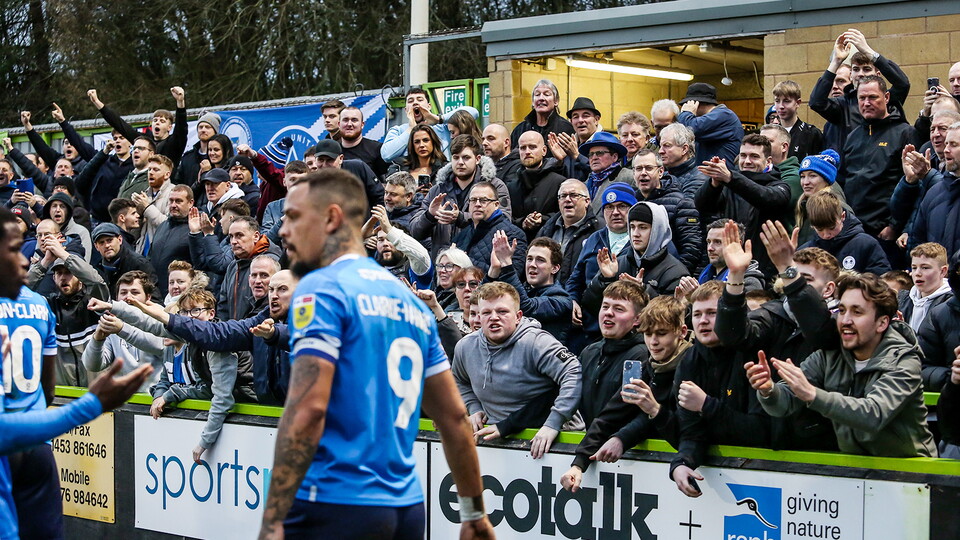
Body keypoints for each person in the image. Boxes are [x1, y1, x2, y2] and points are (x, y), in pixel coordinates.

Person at [259, 168, 494, 538]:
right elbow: (453, 417)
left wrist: (273, 517)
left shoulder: (320, 288)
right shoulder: (410, 303)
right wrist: (474, 512)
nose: (283, 231)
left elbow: (308, 409)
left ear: (332, 218)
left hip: (335, 503)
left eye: (293, 217)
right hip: (404, 509)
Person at [0, 204, 151, 540]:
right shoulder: (39, 306)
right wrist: (90, 405)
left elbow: (95, 281)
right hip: (33, 437)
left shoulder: (57, 300)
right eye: (14, 249)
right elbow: (46, 392)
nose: (27, 260)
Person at [747, 273, 938, 457]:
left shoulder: (904, 360)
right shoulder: (828, 355)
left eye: (857, 312)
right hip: (855, 469)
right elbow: (785, 402)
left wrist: (813, 395)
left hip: (912, 476)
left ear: (882, 323)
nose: (845, 320)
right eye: (842, 310)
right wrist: (769, 390)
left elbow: (874, 414)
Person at [91, 289, 240, 463]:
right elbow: (148, 324)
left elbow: (221, 398)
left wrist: (204, 442)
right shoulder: (189, 336)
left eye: (196, 310)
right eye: (185, 312)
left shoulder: (218, 343)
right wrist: (112, 306)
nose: (190, 317)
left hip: (248, 411)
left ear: (211, 313)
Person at [560, 294, 687, 493]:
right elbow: (611, 415)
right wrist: (579, 464)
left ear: (681, 332)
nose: (653, 342)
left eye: (661, 333)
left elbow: (689, 435)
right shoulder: (648, 364)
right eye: (648, 334)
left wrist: (654, 410)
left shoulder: (691, 367)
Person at [454, 281, 582, 456]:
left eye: (502, 311)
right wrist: (474, 407)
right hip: (500, 436)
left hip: (553, 439)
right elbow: (459, 380)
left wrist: (553, 424)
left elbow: (573, 372)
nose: (493, 317)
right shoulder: (465, 347)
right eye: (486, 313)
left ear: (518, 316)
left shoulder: (536, 342)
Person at [669, 281, 771, 498]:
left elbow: (762, 431)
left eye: (712, 313)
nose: (703, 321)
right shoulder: (689, 361)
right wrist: (682, 462)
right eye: (697, 314)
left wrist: (706, 405)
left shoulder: (753, 355)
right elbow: (691, 430)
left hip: (765, 478)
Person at [162, 270, 297, 406]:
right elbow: (221, 333)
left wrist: (274, 334)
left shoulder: (311, 323)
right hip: (268, 410)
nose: (274, 296)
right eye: (271, 290)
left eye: (282, 289)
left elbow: (296, 335)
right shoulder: (259, 321)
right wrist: (166, 319)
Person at [695, 133, 793, 276]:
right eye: (743, 156)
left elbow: (764, 197)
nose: (747, 161)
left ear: (768, 161)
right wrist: (714, 183)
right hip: (728, 267)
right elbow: (702, 205)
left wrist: (730, 178)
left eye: (754, 156)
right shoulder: (729, 185)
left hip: (763, 269)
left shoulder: (780, 186)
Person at [409, 134, 513, 261]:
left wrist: (461, 218)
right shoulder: (438, 189)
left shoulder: (494, 186)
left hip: (479, 264)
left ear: (478, 159)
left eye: (466, 158)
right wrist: (429, 215)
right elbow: (414, 231)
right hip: (443, 267)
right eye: (456, 158)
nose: (460, 163)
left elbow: (504, 223)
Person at [583, 201, 689, 308]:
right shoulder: (618, 263)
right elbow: (590, 306)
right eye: (632, 227)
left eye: (643, 227)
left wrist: (643, 291)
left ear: (658, 230)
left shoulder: (675, 272)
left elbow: (671, 317)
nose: (635, 234)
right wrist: (605, 279)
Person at [82, 270, 164, 390]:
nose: (128, 297)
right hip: (124, 399)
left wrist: (121, 329)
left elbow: (159, 346)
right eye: (123, 292)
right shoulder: (113, 322)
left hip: (158, 399)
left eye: (135, 292)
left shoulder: (160, 317)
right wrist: (97, 339)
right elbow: (92, 366)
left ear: (148, 297)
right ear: (117, 298)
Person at [487, 235, 572, 342]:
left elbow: (527, 308)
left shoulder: (562, 300)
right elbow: (477, 304)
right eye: (529, 259)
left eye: (540, 260)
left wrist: (507, 265)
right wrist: (493, 270)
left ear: (555, 268)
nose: (532, 265)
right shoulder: (522, 288)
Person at [633, 149, 703, 274]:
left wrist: (673, 275)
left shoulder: (682, 204)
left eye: (648, 168)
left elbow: (691, 248)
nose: (643, 173)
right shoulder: (632, 203)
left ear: (660, 172)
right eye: (638, 169)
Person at [87, 87, 188, 167]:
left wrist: (180, 103)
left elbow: (181, 128)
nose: (157, 123)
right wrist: (97, 102)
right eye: (155, 120)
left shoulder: (174, 143)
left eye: (162, 121)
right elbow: (119, 124)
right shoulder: (144, 140)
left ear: (169, 127)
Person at [800, 190, 890, 275]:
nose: (826, 235)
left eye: (832, 228)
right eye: (819, 230)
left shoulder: (866, 244)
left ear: (842, 216)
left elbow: (881, 282)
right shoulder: (805, 252)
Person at [381, 87, 479, 162]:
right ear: (406, 110)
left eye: (419, 100)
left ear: (429, 106)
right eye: (410, 101)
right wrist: (411, 129)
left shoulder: (443, 128)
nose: (415, 103)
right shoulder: (398, 131)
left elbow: (473, 113)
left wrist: (438, 119)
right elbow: (386, 155)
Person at [535, 179, 599, 286]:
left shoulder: (597, 230)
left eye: (573, 195)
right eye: (563, 196)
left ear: (587, 201)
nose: (567, 199)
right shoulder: (547, 229)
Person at [507, 131, 564, 234]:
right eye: (523, 148)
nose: (527, 152)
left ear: (544, 151)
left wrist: (543, 219)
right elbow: (507, 217)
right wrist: (523, 222)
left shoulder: (559, 182)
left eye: (532, 147)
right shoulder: (512, 185)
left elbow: (565, 213)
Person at [677, 82, 744, 165]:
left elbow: (690, 129)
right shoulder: (714, 117)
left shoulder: (724, 115)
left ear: (695, 104)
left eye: (687, 103)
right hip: (710, 175)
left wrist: (686, 113)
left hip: (723, 175)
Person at [91, 222, 156, 297]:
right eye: (101, 243)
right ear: (96, 247)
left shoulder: (139, 263)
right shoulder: (97, 268)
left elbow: (154, 296)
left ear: (120, 240)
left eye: (109, 240)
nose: (107, 245)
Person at [898, 242, 952, 332]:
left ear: (943, 271)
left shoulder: (951, 304)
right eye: (914, 268)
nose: (917, 273)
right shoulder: (903, 299)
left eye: (925, 268)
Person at [698, 219, 765, 291]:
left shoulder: (750, 280)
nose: (710, 248)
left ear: (737, 244)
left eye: (718, 242)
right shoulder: (705, 274)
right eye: (708, 242)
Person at [510, 79, 575, 144]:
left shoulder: (566, 128)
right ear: (533, 102)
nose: (541, 98)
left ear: (556, 101)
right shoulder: (520, 129)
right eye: (537, 94)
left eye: (546, 94)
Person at [772, 80, 824, 160]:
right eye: (777, 101)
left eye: (786, 101)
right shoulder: (771, 133)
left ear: (798, 103)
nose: (781, 106)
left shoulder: (812, 133)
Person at [338, 106, 389, 179]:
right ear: (339, 124)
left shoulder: (377, 149)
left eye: (354, 120)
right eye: (345, 120)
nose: (349, 124)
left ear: (362, 125)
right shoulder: (331, 150)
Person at [482, 123, 521, 188]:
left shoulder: (517, 167)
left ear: (506, 142)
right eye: (483, 139)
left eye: (491, 138)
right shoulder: (480, 166)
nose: (484, 143)